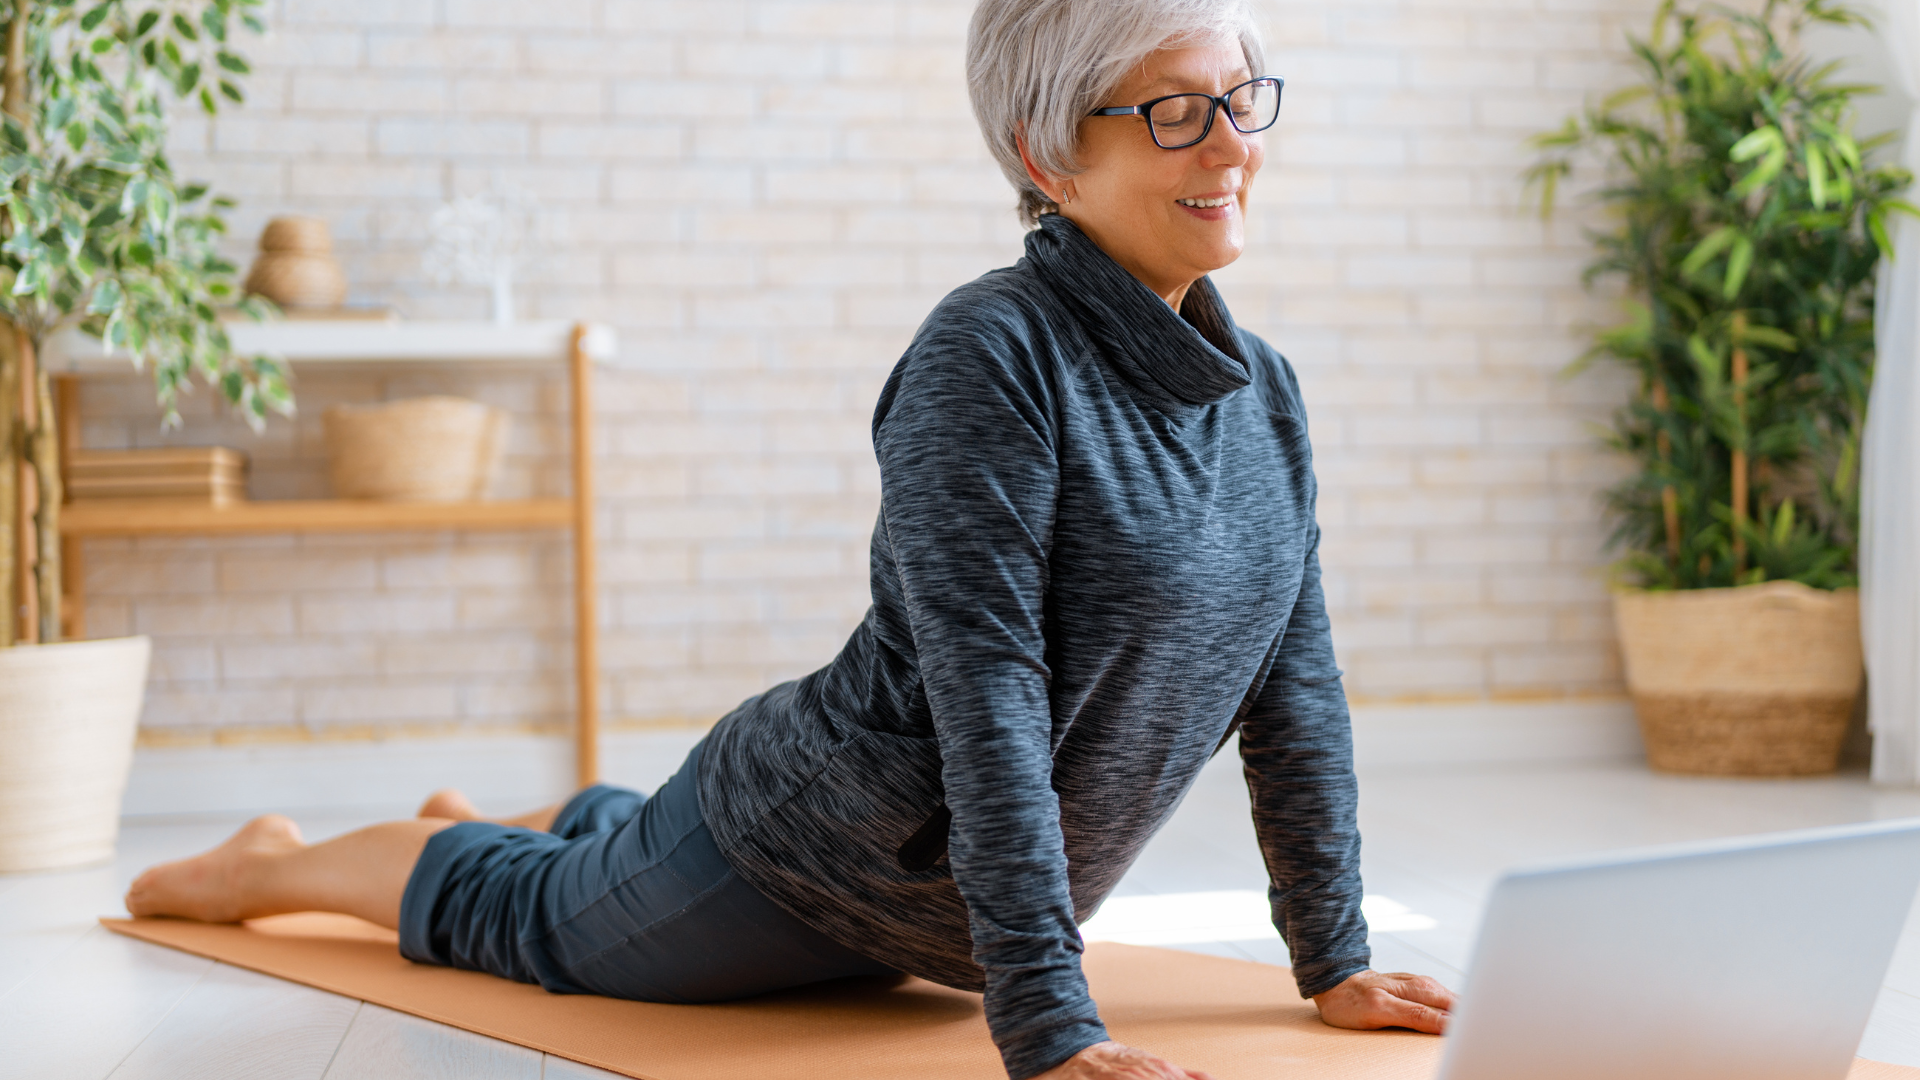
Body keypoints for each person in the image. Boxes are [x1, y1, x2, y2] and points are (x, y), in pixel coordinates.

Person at [126, 1, 1458, 1077]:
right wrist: (1052, 1028)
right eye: (1177, 112)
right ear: (1050, 155)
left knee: (596, 863)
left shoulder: (1262, 390)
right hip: (798, 859)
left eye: (1242, 96)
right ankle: (279, 862)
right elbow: (989, 697)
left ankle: (562, 829)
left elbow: (1294, 691)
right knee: (520, 915)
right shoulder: (989, 356)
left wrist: (1331, 957)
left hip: (939, 917)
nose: (1230, 144)